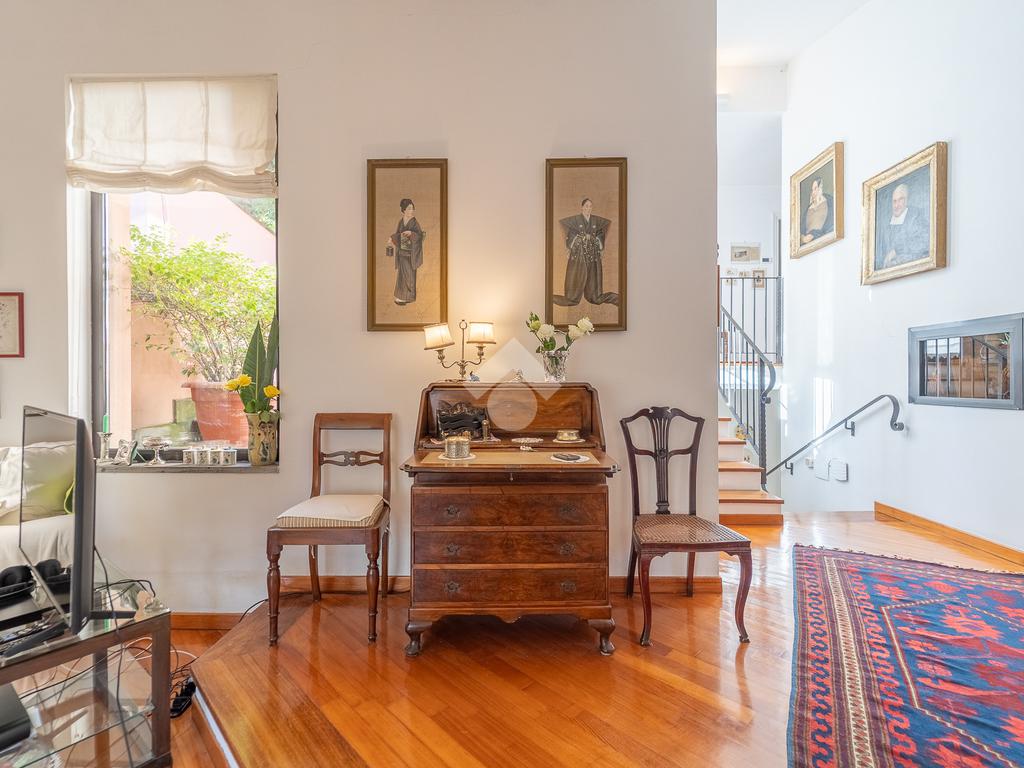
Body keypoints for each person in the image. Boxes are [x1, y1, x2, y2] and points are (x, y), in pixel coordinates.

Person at [552, 198, 619, 307]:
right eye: (586, 206)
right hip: (579, 255)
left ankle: (617, 299)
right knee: (572, 298)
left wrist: (594, 238)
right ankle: (555, 296)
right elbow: (571, 234)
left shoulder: (595, 221)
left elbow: (600, 234)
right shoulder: (576, 220)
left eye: (590, 206)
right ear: (582, 207)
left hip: (593, 255)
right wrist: (581, 237)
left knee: (595, 298)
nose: (588, 208)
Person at [876, 182, 929, 269]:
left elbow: (925, 241)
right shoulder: (885, 222)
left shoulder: (916, 216)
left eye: (900, 200)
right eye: (894, 201)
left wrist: (896, 250)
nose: (896, 205)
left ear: (907, 200)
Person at [385, 198, 425, 305]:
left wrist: (411, 233)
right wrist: (391, 238)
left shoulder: (414, 222)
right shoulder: (401, 221)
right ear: (403, 210)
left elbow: (420, 236)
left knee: (409, 276)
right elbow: (398, 235)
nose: (411, 210)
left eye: (412, 208)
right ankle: (400, 297)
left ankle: (409, 297)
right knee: (401, 276)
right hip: (402, 253)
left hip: (411, 254)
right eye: (409, 208)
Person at [800, 177, 833, 244]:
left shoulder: (830, 202)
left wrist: (814, 234)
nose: (813, 192)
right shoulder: (809, 208)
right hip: (807, 245)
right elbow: (801, 230)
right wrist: (802, 238)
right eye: (812, 190)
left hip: (822, 242)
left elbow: (831, 226)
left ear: (821, 187)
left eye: (815, 188)